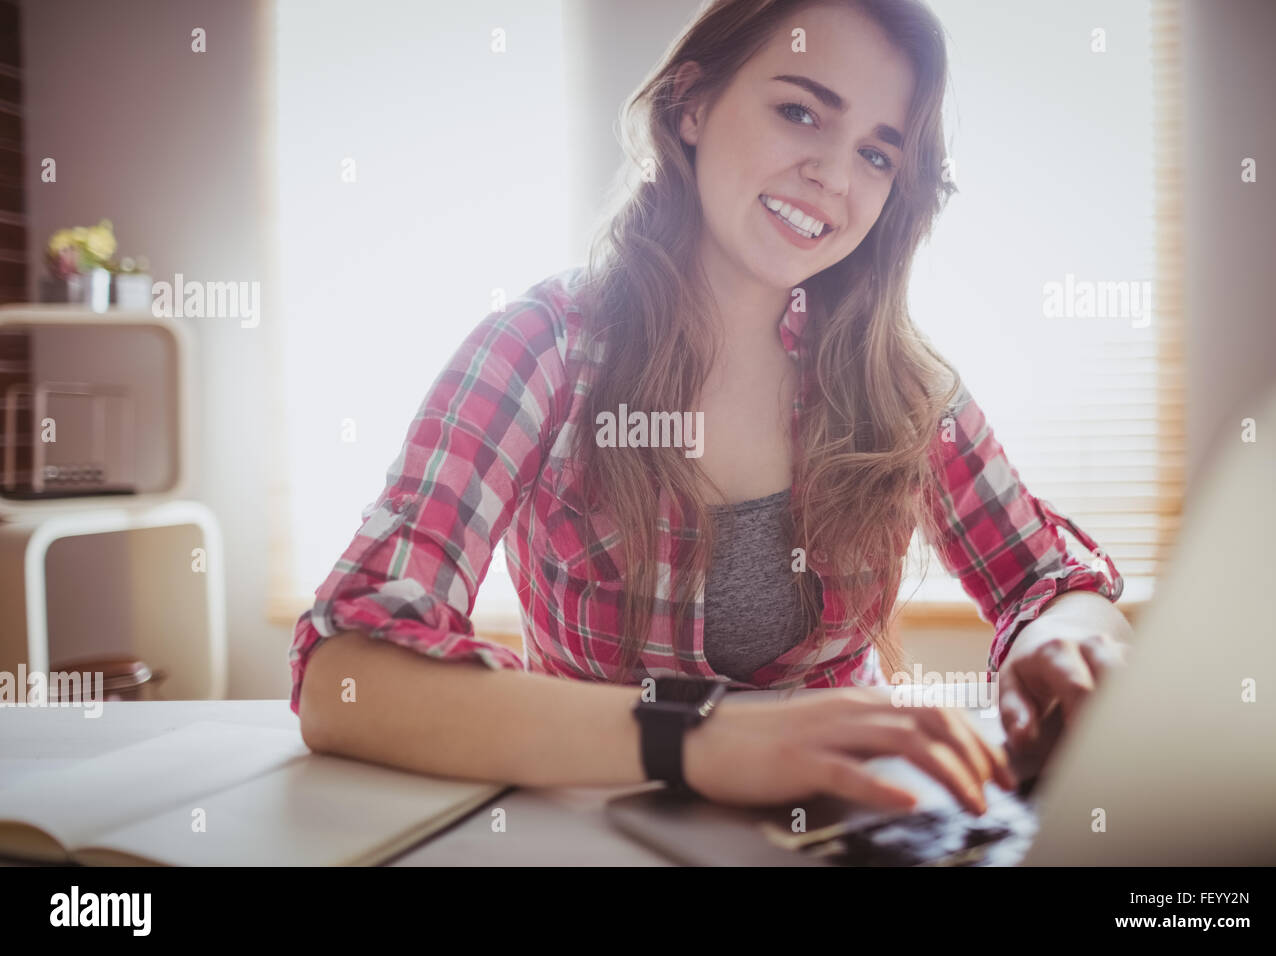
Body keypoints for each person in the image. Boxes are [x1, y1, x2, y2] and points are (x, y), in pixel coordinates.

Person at [291, 0, 1130, 814]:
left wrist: (1066, 637)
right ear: (691, 104)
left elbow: (1050, 582)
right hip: (602, 828)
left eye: (878, 156)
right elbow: (347, 678)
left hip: (854, 829)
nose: (835, 177)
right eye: (800, 111)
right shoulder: (541, 349)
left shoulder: (897, 385)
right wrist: (704, 741)